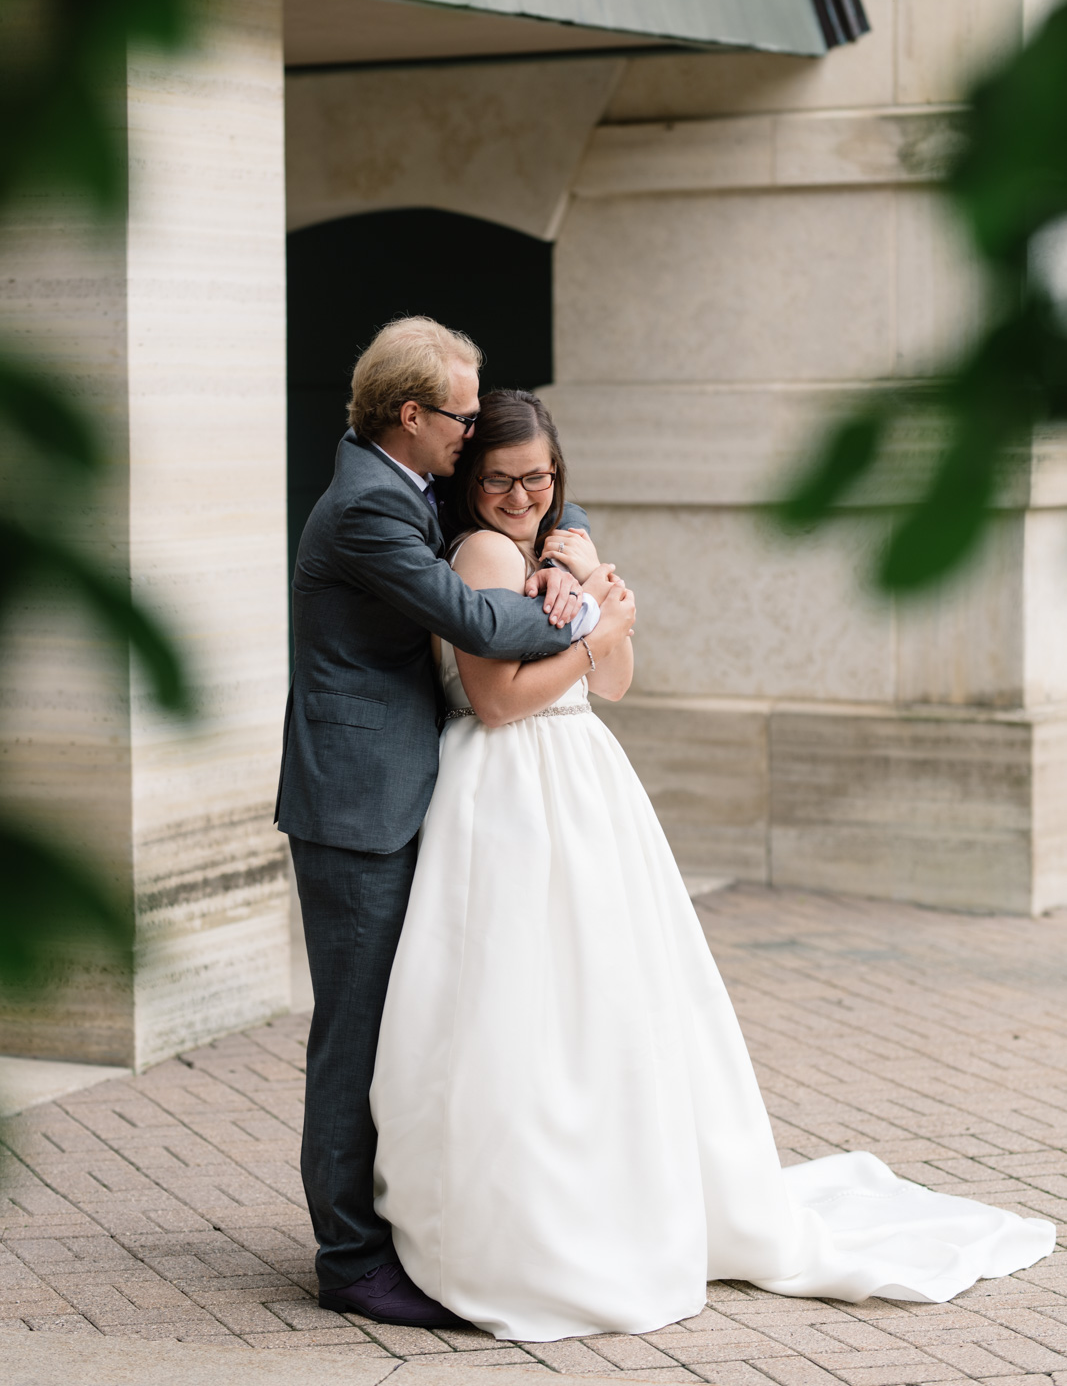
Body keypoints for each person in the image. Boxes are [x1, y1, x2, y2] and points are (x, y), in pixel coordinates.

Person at [370, 389, 1056, 1344]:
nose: (525, 495)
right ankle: (531, 1214)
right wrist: (596, 633)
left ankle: (616, 1189)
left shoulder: (555, 545)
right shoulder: (482, 555)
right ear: (471, 480)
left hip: (582, 776)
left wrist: (598, 616)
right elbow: (495, 702)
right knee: (528, 995)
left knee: (608, 994)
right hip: (511, 788)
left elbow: (616, 683)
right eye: (502, 479)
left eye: (540, 476)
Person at [275, 318, 635, 1329]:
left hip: (411, 787)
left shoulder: (408, 483)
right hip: (357, 804)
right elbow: (476, 621)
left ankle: (405, 1222)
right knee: (353, 1038)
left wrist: (571, 553)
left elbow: (532, 496)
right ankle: (348, 1257)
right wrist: (585, 614)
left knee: (411, 1024)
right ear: (411, 415)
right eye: (462, 419)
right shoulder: (365, 508)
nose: (472, 437)